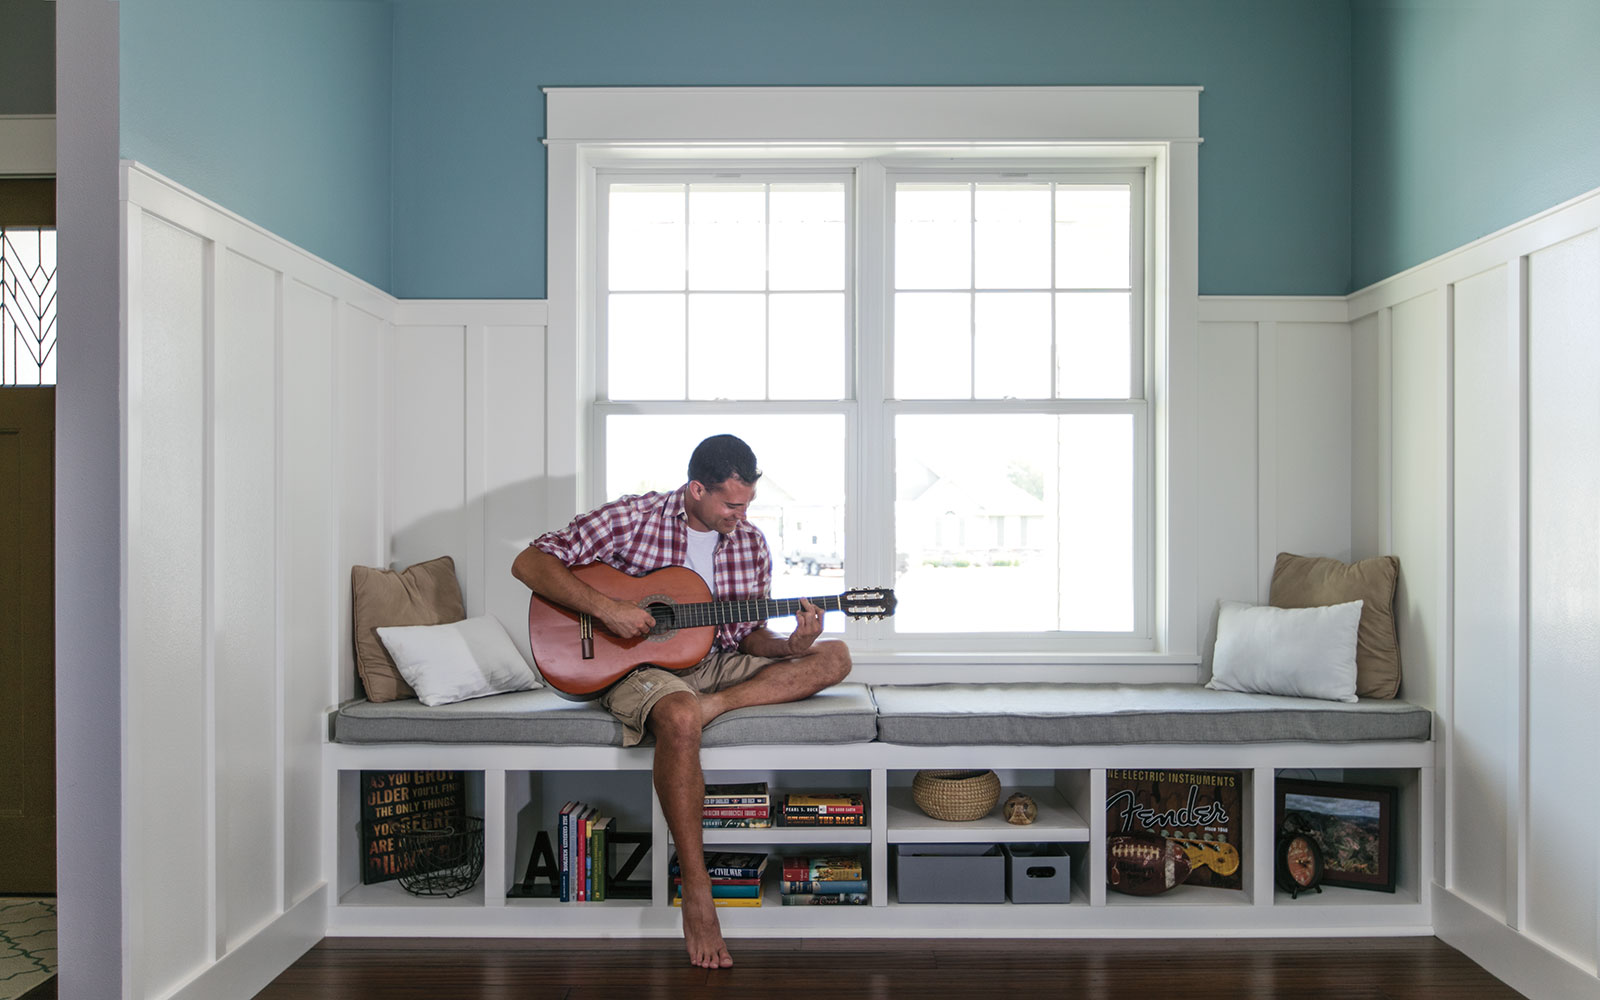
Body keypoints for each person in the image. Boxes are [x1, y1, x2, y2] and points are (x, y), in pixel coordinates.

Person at [511, 433, 852, 969]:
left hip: (714, 662)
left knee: (835, 658)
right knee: (678, 714)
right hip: (640, 667)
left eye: (747, 504)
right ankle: (698, 892)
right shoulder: (633, 518)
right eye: (730, 503)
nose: (740, 516)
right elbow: (530, 563)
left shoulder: (750, 543)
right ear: (696, 489)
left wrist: (790, 645)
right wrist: (607, 609)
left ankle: (717, 703)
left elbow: (747, 636)